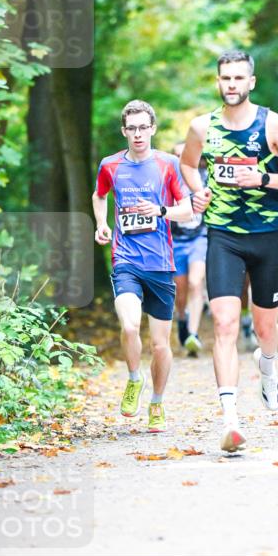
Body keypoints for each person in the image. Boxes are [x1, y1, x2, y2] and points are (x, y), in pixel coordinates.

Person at [180, 49, 278, 454]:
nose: (232, 85)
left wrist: (264, 177)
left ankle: (268, 368)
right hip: (223, 236)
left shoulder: (273, 124)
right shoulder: (202, 127)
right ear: (218, 82)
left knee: (265, 329)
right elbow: (188, 165)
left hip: (268, 237)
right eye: (226, 78)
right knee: (222, 323)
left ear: (251, 82)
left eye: (239, 78)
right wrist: (197, 191)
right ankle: (231, 420)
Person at [92, 100, 193, 433]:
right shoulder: (110, 165)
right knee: (131, 325)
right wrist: (101, 223)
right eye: (131, 128)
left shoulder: (168, 164)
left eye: (143, 127)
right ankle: (134, 379)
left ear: (153, 129)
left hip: (162, 265)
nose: (137, 134)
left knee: (160, 345)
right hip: (126, 261)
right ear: (124, 131)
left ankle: (157, 403)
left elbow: (187, 211)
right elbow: (99, 194)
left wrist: (159, 211)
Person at [171, 141, 207, 357]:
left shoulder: (204, 177)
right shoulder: (167, 179)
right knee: (180, 292)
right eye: (175, 155)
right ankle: (182, 320)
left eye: (183, 154)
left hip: (199, 238)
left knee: (196, 282)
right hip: (175, 241)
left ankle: (193, 334)